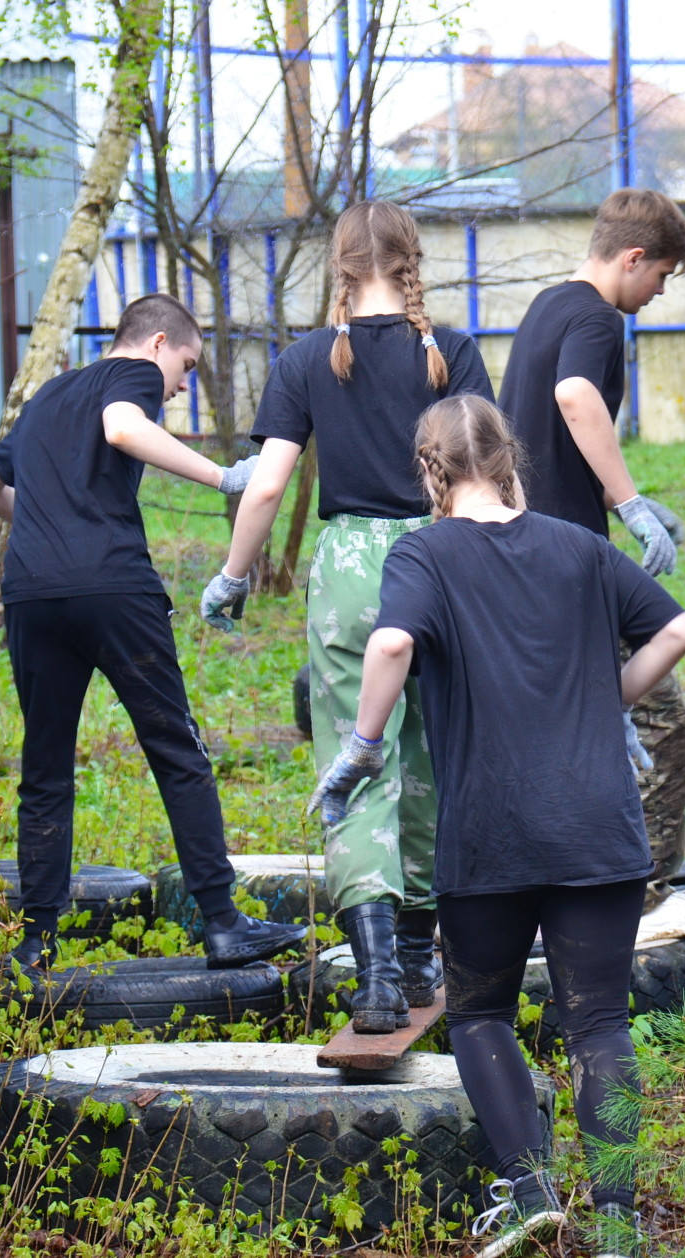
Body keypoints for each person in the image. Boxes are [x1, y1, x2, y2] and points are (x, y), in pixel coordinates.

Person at [309, 395, 685, 1258]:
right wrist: (609, 700)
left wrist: (363, 746)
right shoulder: (580, 546)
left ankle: (530, 1196)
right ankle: (620, 1222)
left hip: (492, 833)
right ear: (509, 460)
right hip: (598, 828)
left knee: (482, 1014)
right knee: (600, 1024)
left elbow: (390, 646)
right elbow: (678, 628)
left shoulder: (425, 552)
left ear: (430, 470)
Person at [197, 201, 493, 1033]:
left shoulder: (302, 362)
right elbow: (488, 478)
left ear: (339, 267)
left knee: (356, 759)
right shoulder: (455, 353)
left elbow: (266, 484)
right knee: (435, 753)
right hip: (444, 558)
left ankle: (376, 980)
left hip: (352, 569)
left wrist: (233, 574)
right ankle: (421, 955)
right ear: (411, 261)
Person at [0, 293, 303, 974]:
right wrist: (223, 477)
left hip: (31, 592)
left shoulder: (47, 395)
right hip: (113, 588)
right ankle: (223, 924)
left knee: (45, 769)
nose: (179, 387)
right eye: (186, 367)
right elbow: (122, 428)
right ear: (157, 344)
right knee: (177, 749)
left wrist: (51, 526)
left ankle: (36, 944)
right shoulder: (133, 374)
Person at [496, 186, 685, 912]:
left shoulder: (547, 306)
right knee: (659, 723)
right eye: (662, 276)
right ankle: (638, 896)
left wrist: (621, 498)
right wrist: (630, 502)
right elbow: (575, 398)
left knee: (559, 727)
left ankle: (554, 879)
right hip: (568, 563)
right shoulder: (597, 318)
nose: (659, 292)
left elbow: (541, 440)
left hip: (523, 547)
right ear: (633, 258)